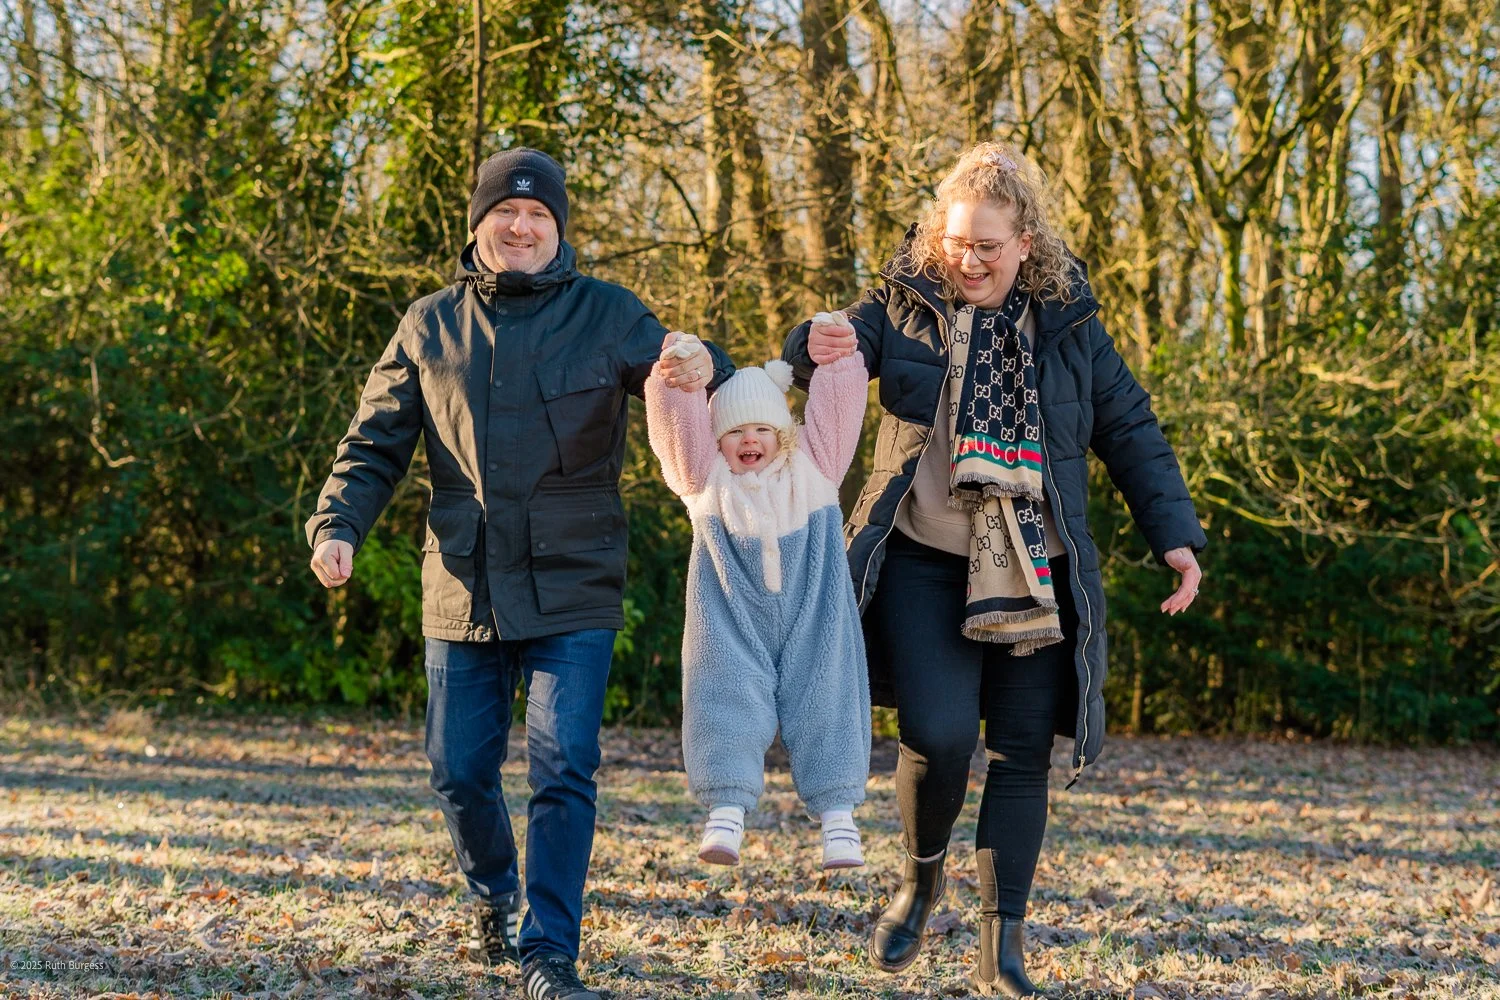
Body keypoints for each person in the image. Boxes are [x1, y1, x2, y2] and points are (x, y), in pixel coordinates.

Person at [305, 147, 732, 1000]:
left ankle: (549, 952)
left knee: (564, 764)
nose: (522, 225)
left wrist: (704, 363)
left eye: (539, 214)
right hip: (460, 583)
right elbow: (373, 444)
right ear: (479, 224)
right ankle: (495, 893)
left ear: (559, 228)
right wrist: (338, 524)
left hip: (574, 581)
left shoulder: (609, 315)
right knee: (458, 770)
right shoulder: (427, 325)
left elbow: (689, 365)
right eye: (507, 211)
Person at [782, 142, 1206, 997]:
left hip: (1035, 570)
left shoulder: (1071, 328)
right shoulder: (901, 306)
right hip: (922, 561)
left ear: (1025, 246)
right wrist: (810, 341)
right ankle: (920, 878)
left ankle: (999, 946)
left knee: (1019, 752)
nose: (965, 260)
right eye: (954, 241)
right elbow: (828, 350)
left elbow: (1131, 431)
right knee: (937, 735)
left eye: (986, 245)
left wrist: (1177, 537)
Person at [644, 328, 872, 870]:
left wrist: (837, 359)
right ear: (715, 438)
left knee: (828, 697)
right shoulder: (706, 483)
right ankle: (725, 809)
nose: (750, 439)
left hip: (812, 612)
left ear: (782, 433)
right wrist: (678, 374)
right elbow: (676, 433)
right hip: (730, 616)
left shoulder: (814, 473)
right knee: (722, 697)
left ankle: (839, 818)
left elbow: (837, 414)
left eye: (762, 429)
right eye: (735, 431)